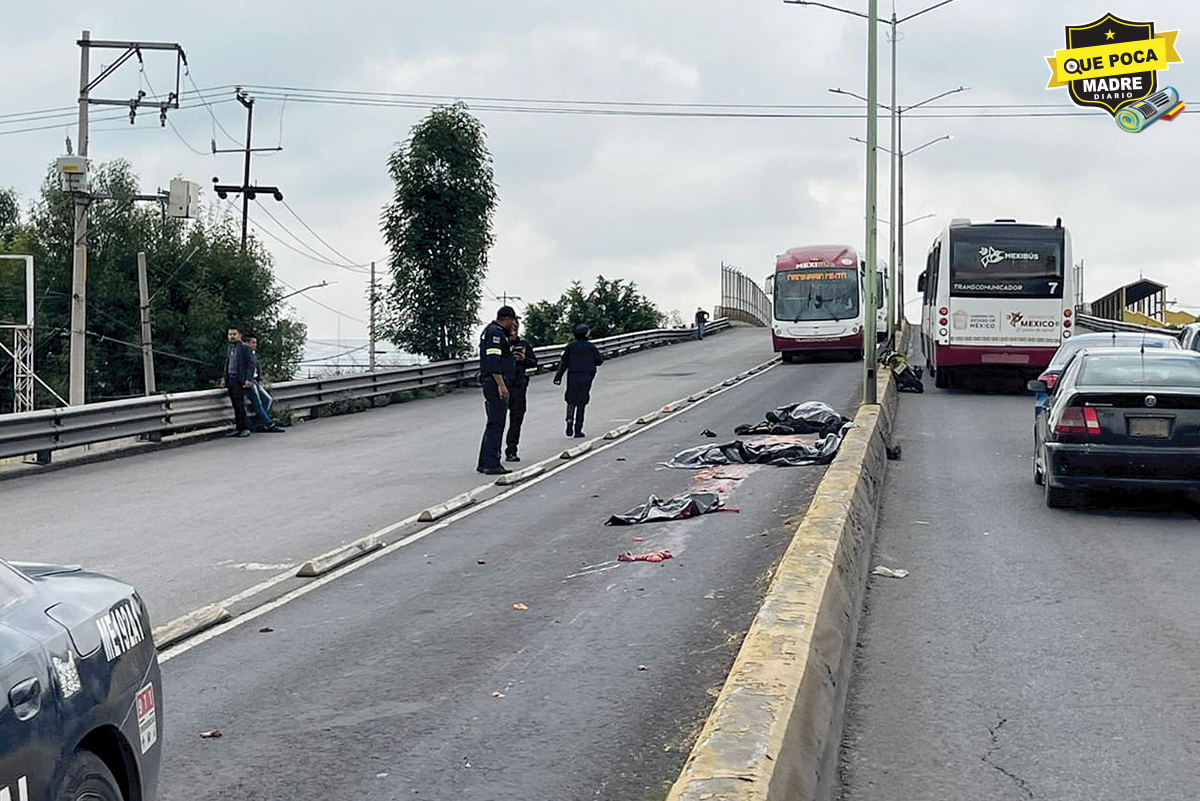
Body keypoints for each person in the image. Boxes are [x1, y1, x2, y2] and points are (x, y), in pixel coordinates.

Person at [476, 305, 519, 474]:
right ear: (506, 318)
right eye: (513, 320)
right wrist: (501, 384)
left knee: (492, 423)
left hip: (492, 382)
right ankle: (492, 463)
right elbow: (493, 360)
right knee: (496, 424)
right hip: (495, 384)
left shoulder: (493, 331)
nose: (514, 324)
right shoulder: (495, 333)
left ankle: (484, 462)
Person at [554, 324, 604, 438]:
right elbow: (599, 360)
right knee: (582, 402)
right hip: (586, 377)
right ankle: (578, 430)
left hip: (573, 377)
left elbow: (564, 362)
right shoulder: (590, 347)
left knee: (571, 400)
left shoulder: (570, 347)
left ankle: (569, 419)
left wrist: (558, 376)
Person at [505, 320, 538, 462]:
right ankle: (493, 454)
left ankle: (511, 450)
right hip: (504, 384)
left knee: (516, 419)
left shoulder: (524, 344)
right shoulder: (501, 342)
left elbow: (534, 362)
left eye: (516, 327)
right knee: (497, 422)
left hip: (519, 385)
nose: (514, 329)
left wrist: (523, 359)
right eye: (512, 327)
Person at [245, 336, 285, 433]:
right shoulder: (244, 355)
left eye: (255, 343)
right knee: (257, 403)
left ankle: (261, 423)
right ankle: (268, 424)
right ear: (247, 343)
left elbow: (256, 368)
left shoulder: (253, 354)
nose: (255, 345)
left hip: (255, 380)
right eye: (253, 342)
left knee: (267, 399)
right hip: (249, 380)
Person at [223, 327, 255, 438]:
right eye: (230, 334)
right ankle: (238, 427)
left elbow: (251, 364)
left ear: (239, 335)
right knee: (235, 405)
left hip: (239, 380)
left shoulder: (245, 348)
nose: (232, 336)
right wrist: (225, 378)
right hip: (231, 379)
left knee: (240, 404)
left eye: (234, 334)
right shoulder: (230, 348)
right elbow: (228, 364)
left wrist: (248, 379)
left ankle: (244, 428)